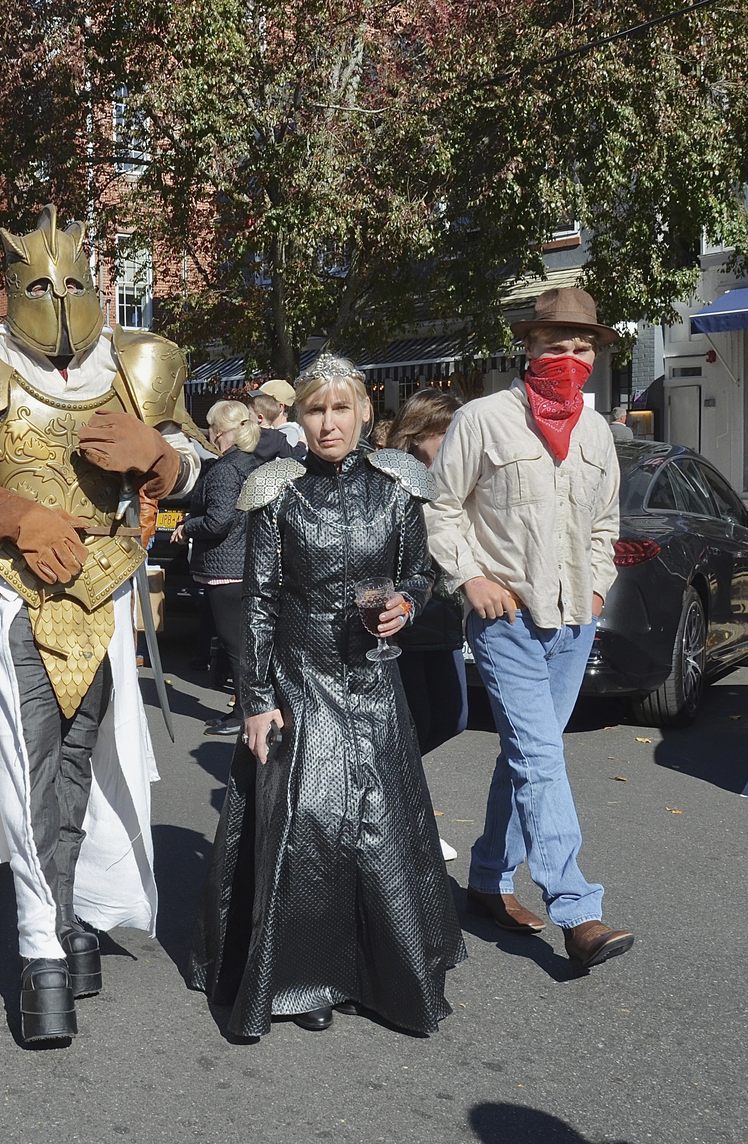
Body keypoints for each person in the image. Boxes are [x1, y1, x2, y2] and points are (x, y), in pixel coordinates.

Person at [0, 205, 204, 1043]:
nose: (60, 298)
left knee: (83, 765)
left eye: (73, 281)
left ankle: (71, 918)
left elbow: (201, 471)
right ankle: (42, 952)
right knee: (29, 764)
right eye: (41, 284)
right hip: (10, 594)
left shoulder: (140, 364)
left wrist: (163, 459)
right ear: (10, 288)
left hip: (106, 596)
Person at [188, 354, 465, 1039]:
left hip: (373, 679)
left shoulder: (398, 487)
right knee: (307, 827)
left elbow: (418, 575)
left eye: (341, 409)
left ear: (366, 412)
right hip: (299, 675)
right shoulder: (275, 491)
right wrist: (255, 699)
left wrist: (406, 602)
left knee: (379, 826)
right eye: (316, 409)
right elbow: (259, 605)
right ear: (300, 418)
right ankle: (298, 975)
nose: (329, 422)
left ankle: (379, 969)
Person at [426, 286, 634, 969]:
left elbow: (606, 522)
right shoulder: (485, 419)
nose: (569, 358)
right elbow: (440, 507)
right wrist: (472, 579)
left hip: (574, 622)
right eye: (556, 346)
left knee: (525, 754)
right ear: (529, 346)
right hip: (507, 620)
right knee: (542, 756)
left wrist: (599, 587)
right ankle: (578, 910)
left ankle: (486, 879)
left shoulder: (598, 432)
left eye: (581, 348)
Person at [171, 400, 293, 736]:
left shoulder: (226, 469)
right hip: (243, 563)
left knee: (236, 646)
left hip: (227, 567)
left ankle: (244, 713)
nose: (208, 432)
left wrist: (188, 527)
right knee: (244, 645)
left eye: (210, 426)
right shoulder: (248, 462)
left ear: (219, 432)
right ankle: (245, 709)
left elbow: (219, 520)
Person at [388, 388, 467, 863]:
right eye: (447, 435)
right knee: (412, 724)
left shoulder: (456, 478)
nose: (457, 444)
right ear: (418, 435)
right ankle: (408, 820)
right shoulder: (395, 479)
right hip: (405, 620)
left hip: (445, 616)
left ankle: (393, 799)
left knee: (452, 718)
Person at [255, 379, 306, 454]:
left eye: (263, 402)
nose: (255, 405)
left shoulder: (290, 434)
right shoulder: (270, 432)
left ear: (280, 407)